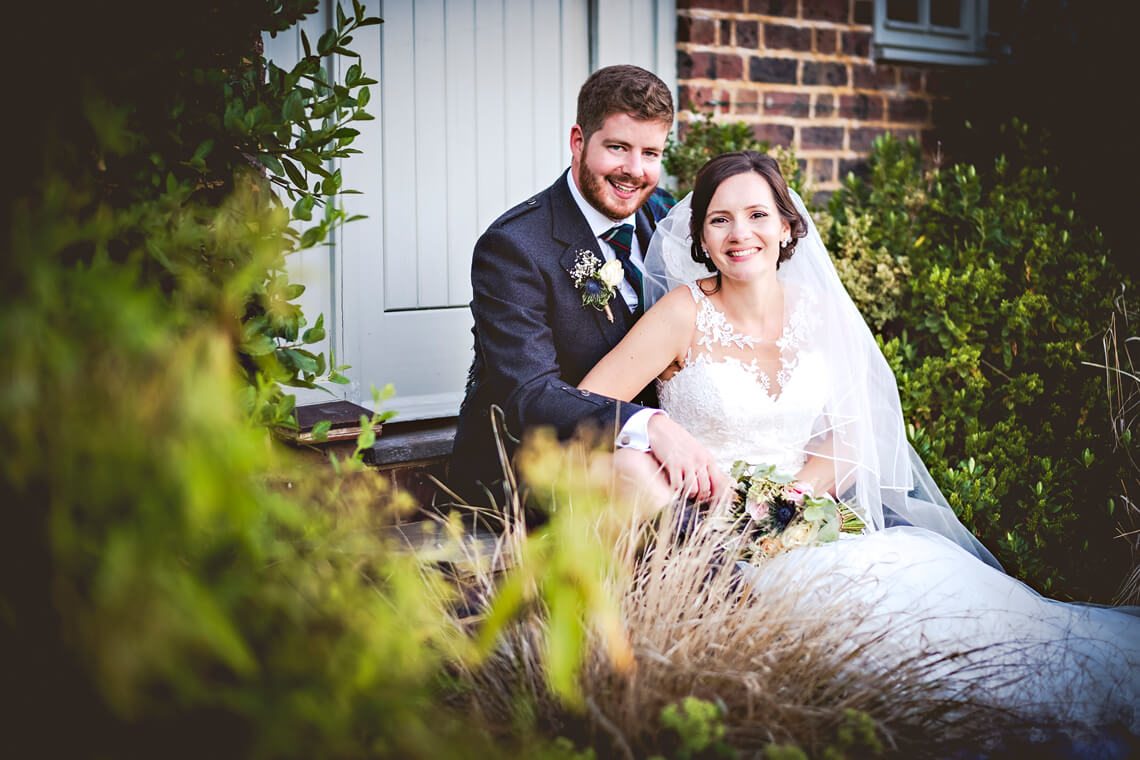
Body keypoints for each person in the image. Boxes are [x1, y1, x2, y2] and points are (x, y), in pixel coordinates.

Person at [579, 150, 1140, 738]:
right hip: (716, 539)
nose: (740, 233)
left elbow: (851, 438)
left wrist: (791, 499)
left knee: (939, 604)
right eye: (719, 219)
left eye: (756, 214)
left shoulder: (822, 314)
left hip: (810, 521)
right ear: (700, 236)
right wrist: (658, 440)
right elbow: (588, 405)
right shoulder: (681, 313)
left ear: (787, 226)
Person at [450, 65, 732, 508]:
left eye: (651, 153)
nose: (634, 171)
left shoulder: (666, 219)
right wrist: (648, 425)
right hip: (533, 466)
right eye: (618, 148)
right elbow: (530, 396)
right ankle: (725, 579)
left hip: (664, 453)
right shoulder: (514, 247)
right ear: (578, 142)